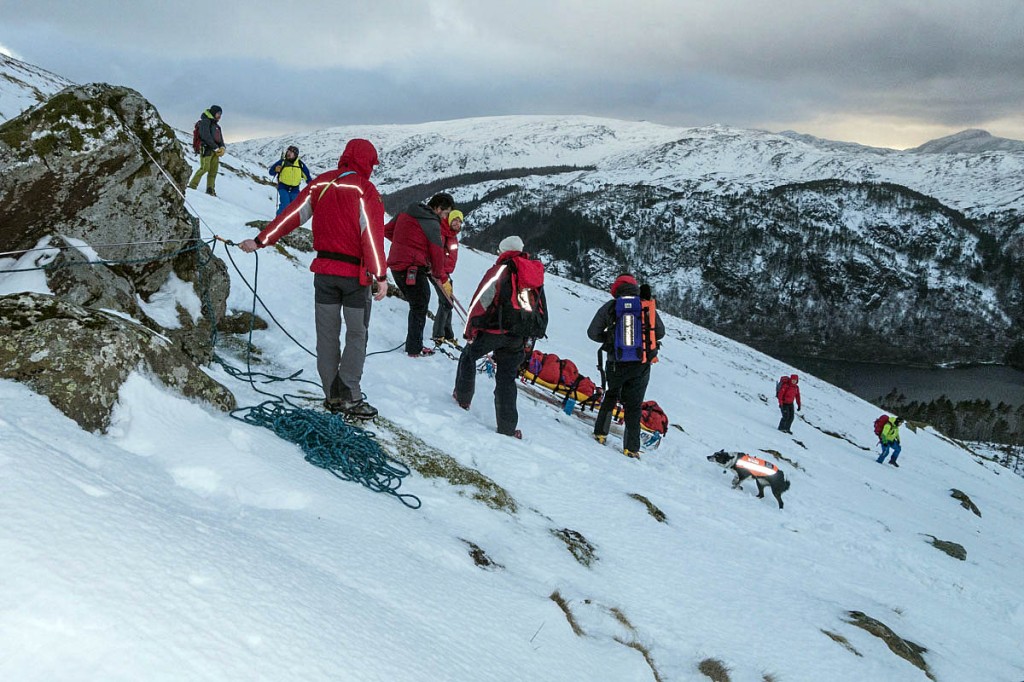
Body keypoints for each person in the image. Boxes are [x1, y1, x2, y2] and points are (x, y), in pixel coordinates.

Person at [237, 138, 387, 419]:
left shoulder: (321, 184)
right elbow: (372, 236)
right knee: (357, 334)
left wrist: (260, 240)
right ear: (366, 161)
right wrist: (380, 275)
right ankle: (350, 396)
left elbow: (291, 216)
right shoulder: (364, 189)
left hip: (324, 274)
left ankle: (331, 396)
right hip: (355, 278)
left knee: (327, 336)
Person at [454, 235, 548, 439]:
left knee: (469, 355)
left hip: (494, 331)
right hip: (518, 336)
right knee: (506, 378)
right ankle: (507, 427)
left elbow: (481, 301)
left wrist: (470, 329)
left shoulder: (500, 270)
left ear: (503, 250)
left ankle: (462, 398)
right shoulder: (532, 275)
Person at [588, 274, 665, 458]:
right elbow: (660, 333)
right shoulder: (646, 306)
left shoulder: (611, 306)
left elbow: (592, 333)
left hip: (616, 363)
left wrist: (611, 340)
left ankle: (600, 433)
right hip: (642, 364)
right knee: (634, 405)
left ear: (616, 289)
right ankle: (631, 448)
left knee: (611, 396)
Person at [384, 193, 454, 357]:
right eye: (445, 213)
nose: (445, 217)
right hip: (412, 268)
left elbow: (387, 231)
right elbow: (437, 253)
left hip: (396, 265)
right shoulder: (431, 223)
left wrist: (404, 244)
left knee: (417, 304)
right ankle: (414, 349)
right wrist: (437, 274)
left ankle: (414, 345)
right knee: (420, 304)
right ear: (437, 208)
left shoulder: (406, 211)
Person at [431, 208, 462, 345]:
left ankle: (448, 334)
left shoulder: (452, 235)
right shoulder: (442, 233)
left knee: (449, 302)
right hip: (438, 272)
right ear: (449, 219)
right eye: (455, 220)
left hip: (446, 273)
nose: (457, 223)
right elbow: (437, 256)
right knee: (446, 302)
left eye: (460, 221)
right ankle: (438, 334)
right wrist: (442, 275)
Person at [188, 105, 225, 196]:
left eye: (220, 114)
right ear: (213, 113)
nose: (219, 116)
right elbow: (205, 136)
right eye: (218, 113)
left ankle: (210, 189)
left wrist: (222, 148)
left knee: (213, 171)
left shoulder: (217, 126)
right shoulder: (205, 122)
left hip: (215, 151)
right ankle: (192, 185)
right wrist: (216, 148)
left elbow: (220, 139)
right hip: (206, 149)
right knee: (205, 168)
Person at [268, 145, 312, 215]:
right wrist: (276, 169)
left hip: (295, 189)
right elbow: (271, 172)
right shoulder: (282, 162)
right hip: (283, 187)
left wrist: (312, 186)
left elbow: (307, 177)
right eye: (288, 151)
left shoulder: (300, 164)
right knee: (285, 204)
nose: (289, 153)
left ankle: (288, 223)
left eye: (291, 152)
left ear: (295, 155)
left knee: (294, 206)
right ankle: (278, 221)